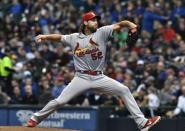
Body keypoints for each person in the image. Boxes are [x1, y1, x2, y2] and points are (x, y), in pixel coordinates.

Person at [26, 11, 161, 131]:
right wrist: (45, 36)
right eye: (93, 20)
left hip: (99, 77)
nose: (96, 22)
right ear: (85, 22)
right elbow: (59, 37)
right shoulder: (74, 38)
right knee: (60, 101)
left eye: (96, 20)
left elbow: (120, 24)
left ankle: (142, 123)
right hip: (81, 78)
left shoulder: (102, 32)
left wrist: (131, 25)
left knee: (124, 90)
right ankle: (35, 119)